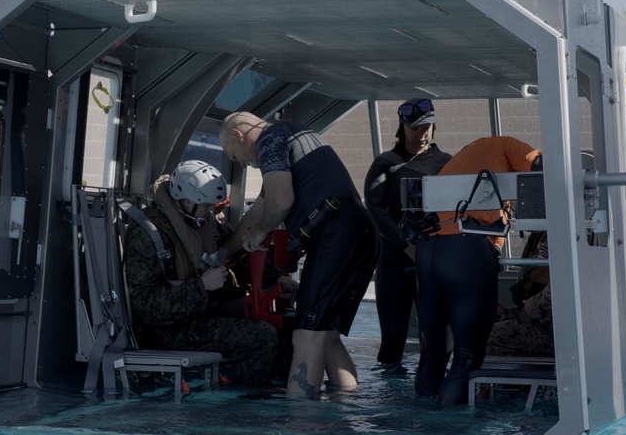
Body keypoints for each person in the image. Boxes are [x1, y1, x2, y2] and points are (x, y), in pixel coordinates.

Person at [220, 111, 380, 397]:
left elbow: (281, 201)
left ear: (238, 135)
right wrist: (222, 252)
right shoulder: (290, 136)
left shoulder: (269, 140)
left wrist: (260, 232)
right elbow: (258, 211)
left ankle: (301, 431)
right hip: (361, 231)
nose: (242, 164)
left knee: (305, 336)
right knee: (326, 336)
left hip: (335, 234)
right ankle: (347, 412)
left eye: (234, 157)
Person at [412, 135, 543, 406]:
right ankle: (455, 434)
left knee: (434, 352)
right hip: (465, 245)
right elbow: (541, 166)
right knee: (468, 356)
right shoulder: (505, 145)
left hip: (428, 248)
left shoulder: (464, 161)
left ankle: (421, 424)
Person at [124, 160, 279, 387]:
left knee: (283, 327)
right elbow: (144, 303)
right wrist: (201, 286)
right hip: (168, 330)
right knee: (262, 337)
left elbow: (235, 255)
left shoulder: (200, 222)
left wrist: (276, 277)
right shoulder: (148, 235)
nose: (212, 211)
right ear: (186, 201)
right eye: (207, 205)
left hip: (202, 314)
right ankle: (246, 403)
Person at [364, 98, 452, 374]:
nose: (421, 133)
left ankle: (432, 386)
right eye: (414, 128)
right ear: (402, 127)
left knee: (437, 334)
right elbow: (375, 209)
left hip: (434, 258)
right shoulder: (386, 163)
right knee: (392, 338)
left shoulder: (446, 163)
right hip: (394, 259)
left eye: (426, 127)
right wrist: (405, 242)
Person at [487, 229, 554, 358]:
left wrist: (520, 313)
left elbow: (557, 293)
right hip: (541, 321)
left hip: (552, 331)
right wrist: (509, 313)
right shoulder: (541, 233)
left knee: (482, 338)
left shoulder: (562, 235)